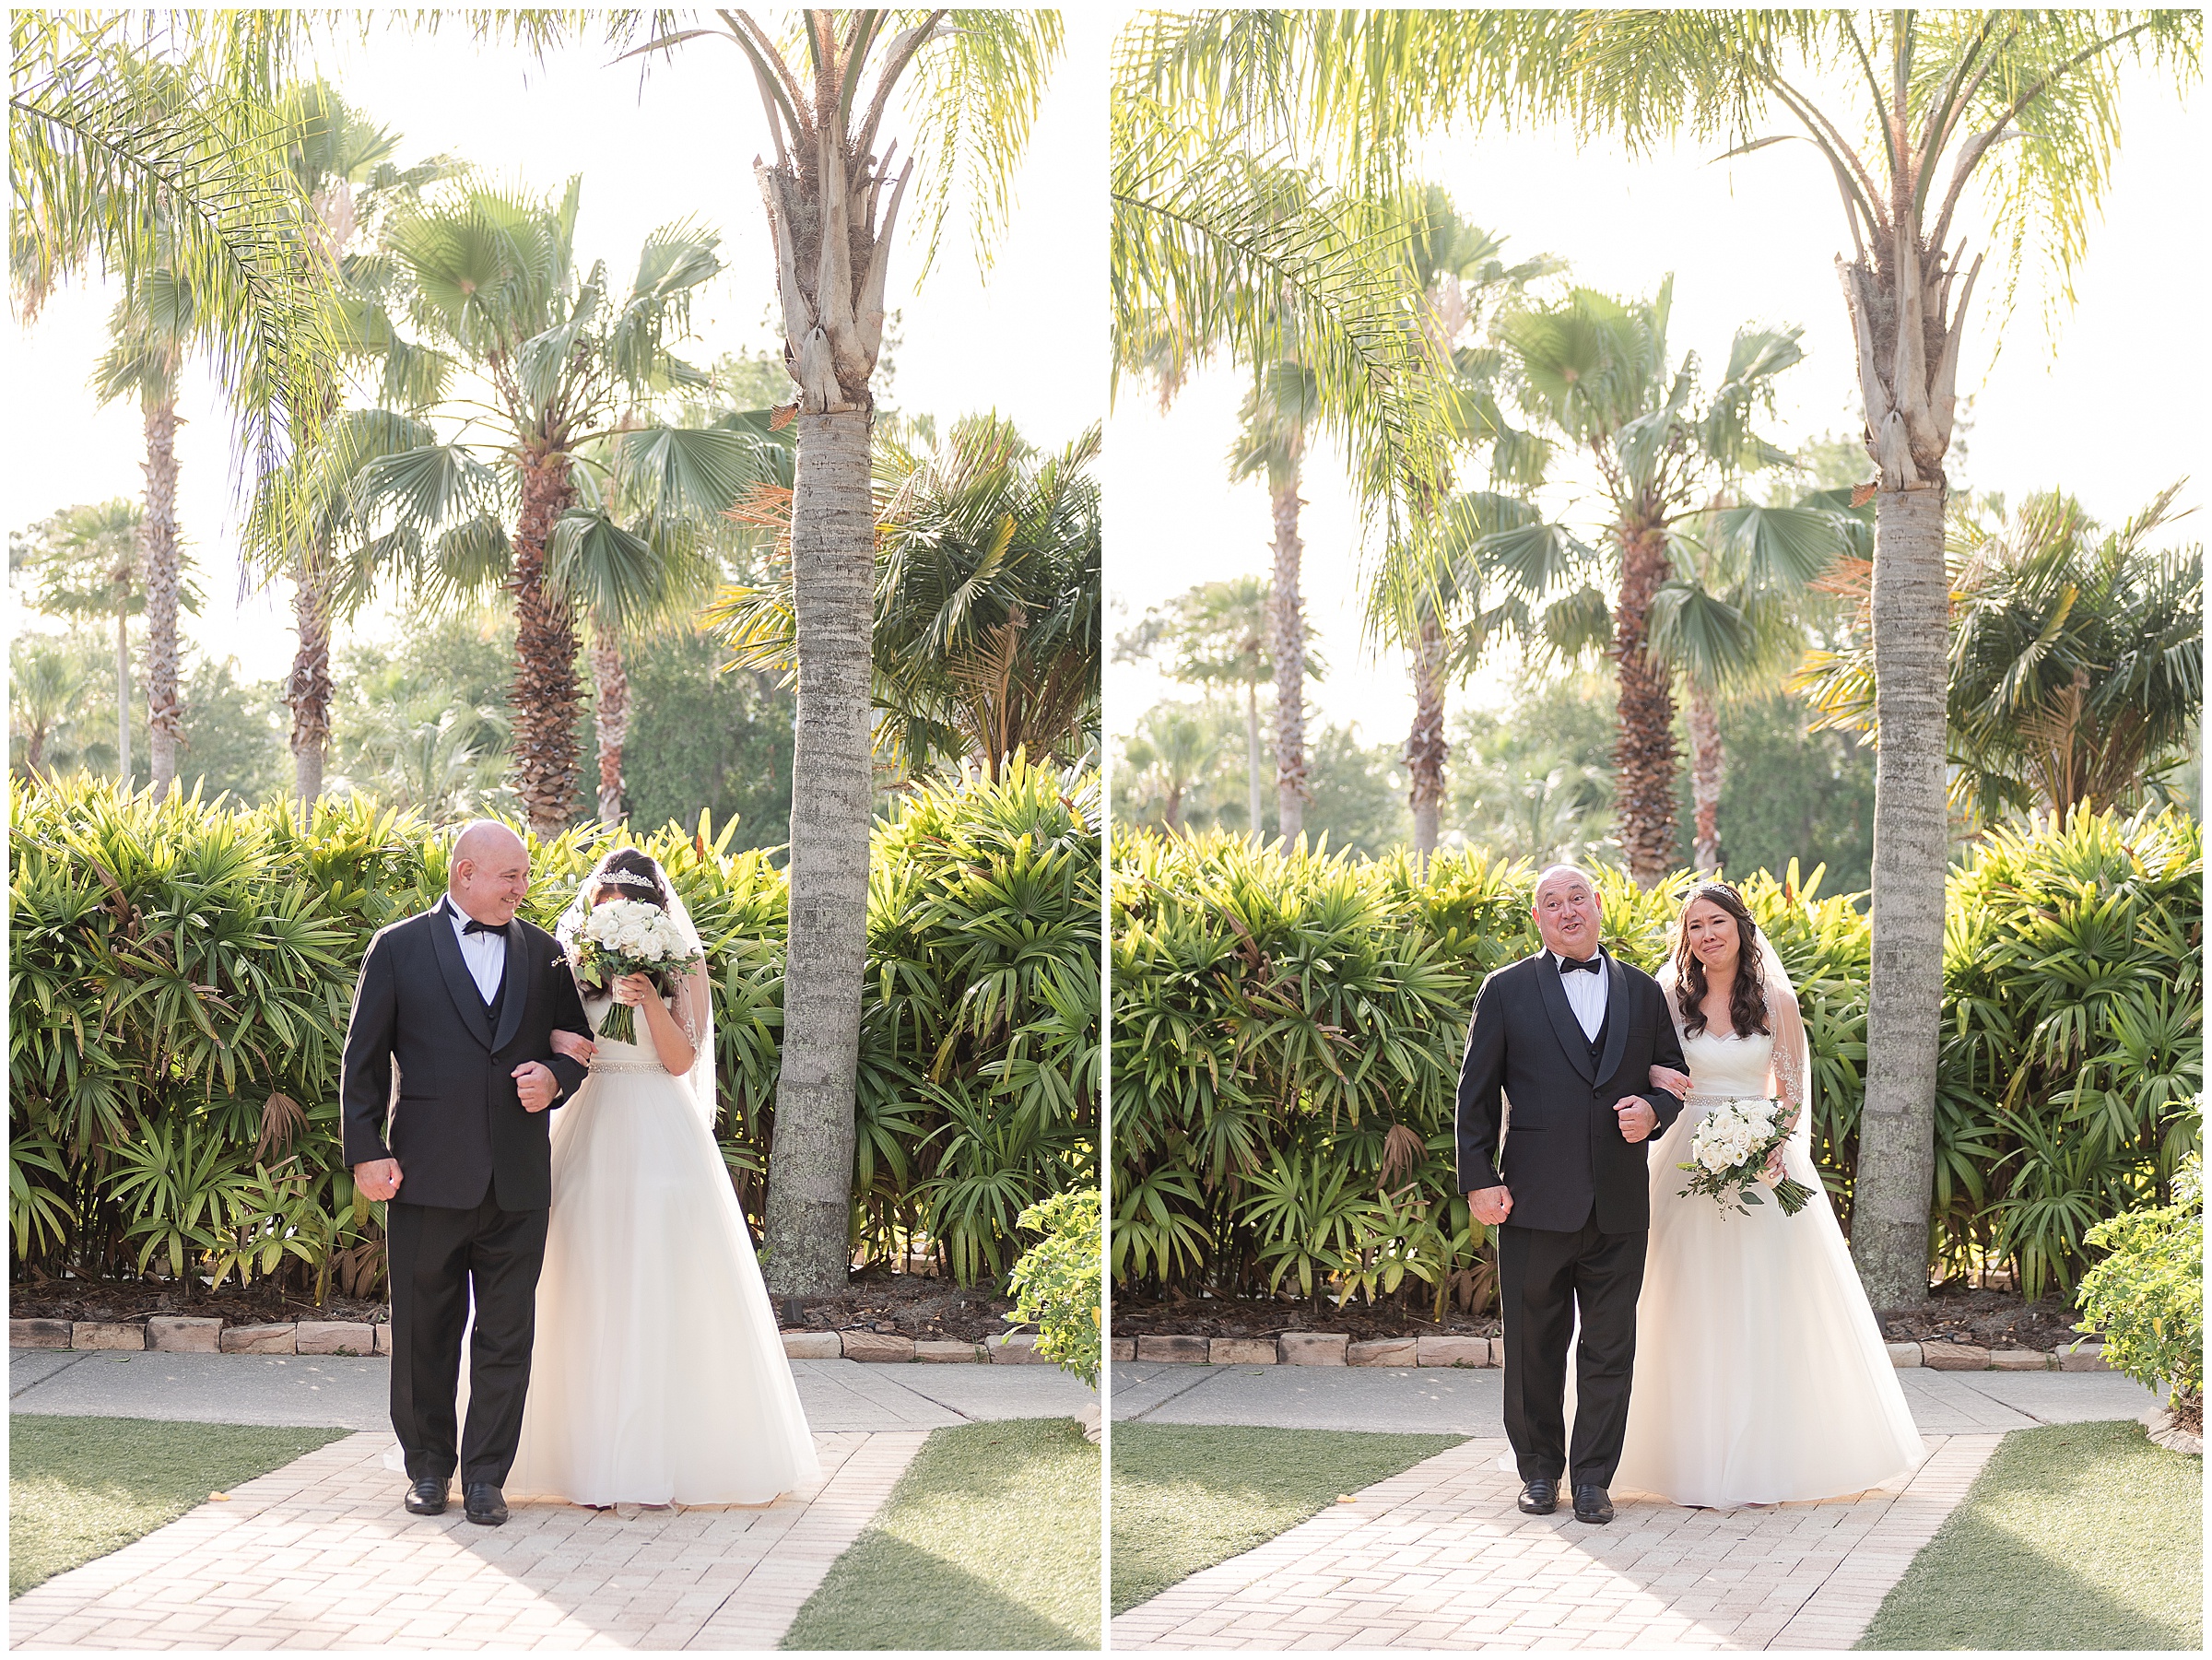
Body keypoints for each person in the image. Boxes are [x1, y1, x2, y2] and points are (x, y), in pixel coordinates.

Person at [503, 846, 820, 1506]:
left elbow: (681, 1060)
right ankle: (580, 1460)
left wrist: (647, 1000)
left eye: (630, 906)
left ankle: (657, 1460)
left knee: (657, 1284)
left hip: (659, 1128)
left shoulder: (682, 965)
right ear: (597, 905)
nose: (616, 914)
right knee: (582, 1282)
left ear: (652, 909)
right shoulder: (574, 961)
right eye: (608, 903)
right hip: (591, 1121)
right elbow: (562, 1045)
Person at [1614, 881, 1924, 1508]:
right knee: (1681, 1302)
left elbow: (1790, 1090)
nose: (1707, 934)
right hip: (1683, 1160)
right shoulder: (1670, 1000)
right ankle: (1683, 1461)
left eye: (1717, 921)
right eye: (1695, 925)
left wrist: (1770, 1143)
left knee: (1761, 1303)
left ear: (1740, 926)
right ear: (1687, 937)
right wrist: (1660, 1080)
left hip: (1762, 1161)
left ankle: (1760, 1464)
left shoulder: (1776, 1001)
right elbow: (1645, 1065)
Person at [341, 820, 594, 1526]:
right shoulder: (396, 948)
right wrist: (365, 1150)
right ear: (464, 874)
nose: (522, 887)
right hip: (424, 1174)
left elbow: (576, 1045)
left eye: (524, 875)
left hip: (517, 1179)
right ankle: (427, 1468)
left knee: (507, 1333)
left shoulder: (546, 955)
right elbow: (361, 1061)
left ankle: (487, 1476)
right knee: (425, 1329)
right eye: (510, 875)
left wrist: (556, 1076)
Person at [1455, 864, 1688, 1525]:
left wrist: (1652, 1111)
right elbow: (1475, 1093)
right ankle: (1537, 1470)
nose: (1566, 911)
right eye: (1551, 903)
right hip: (1530, 1200)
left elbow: (1671, 1080)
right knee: (1533, 1343)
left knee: (1610, 1346)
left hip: (1618, 1202)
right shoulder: (1505, 990)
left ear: (1598, 906)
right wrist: (1478, 1178)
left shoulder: (1643, 992)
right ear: (1538, 919)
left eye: (1576, 898)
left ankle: (1593, 1478)